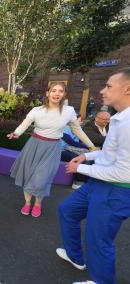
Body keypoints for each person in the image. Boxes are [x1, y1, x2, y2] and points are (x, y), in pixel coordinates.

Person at [57, 67, 130, 284]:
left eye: (108, 86)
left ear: (127, 89)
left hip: (116, 189)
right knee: (67, 210)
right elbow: (111, 153)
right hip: (100, 182)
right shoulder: (120, 118)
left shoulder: (128, 124)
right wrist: (87, 158)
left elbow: (124, 172)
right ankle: (75, 256)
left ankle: (102, 281)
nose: (102, 91)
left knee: (98, 239)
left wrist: (79, 169)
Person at [8, 82, 95, 218]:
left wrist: (91, 145)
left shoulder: (69, 111)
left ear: (64, 94)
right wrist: (16, 133)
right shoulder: (37, 110)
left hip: (52, 148)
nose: (57, 93)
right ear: (48, 93)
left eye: (60, 91)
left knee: (42, 178)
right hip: (34, 145)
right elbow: (26, 123)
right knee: (29, 175)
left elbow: (76, 129)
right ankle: (27, 202)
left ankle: (37, 204)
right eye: (54, 90)